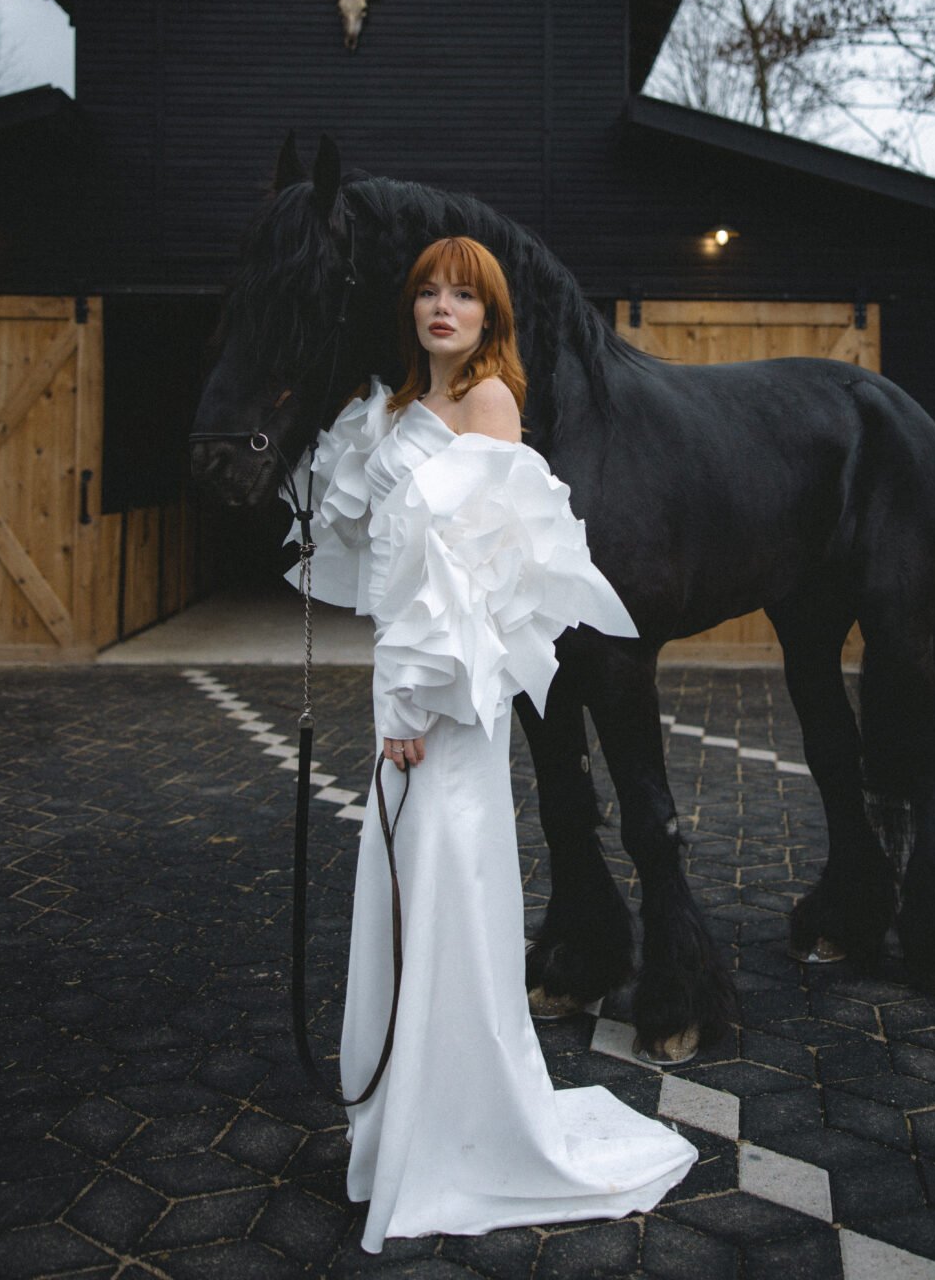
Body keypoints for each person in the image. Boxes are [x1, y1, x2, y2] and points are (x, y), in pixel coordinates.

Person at [287, 236, 697, 1253]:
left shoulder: (490, 405)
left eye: (463, 295)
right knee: (401, 878)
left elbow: (482, 571)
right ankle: (407, 1120)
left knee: (446, 877)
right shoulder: (395, 407)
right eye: (427, 290)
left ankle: (463, 1128)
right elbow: (385, 546)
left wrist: (416, 699)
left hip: (446, 688)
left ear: (490, 315)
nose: (442, 306)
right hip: (398, 675)